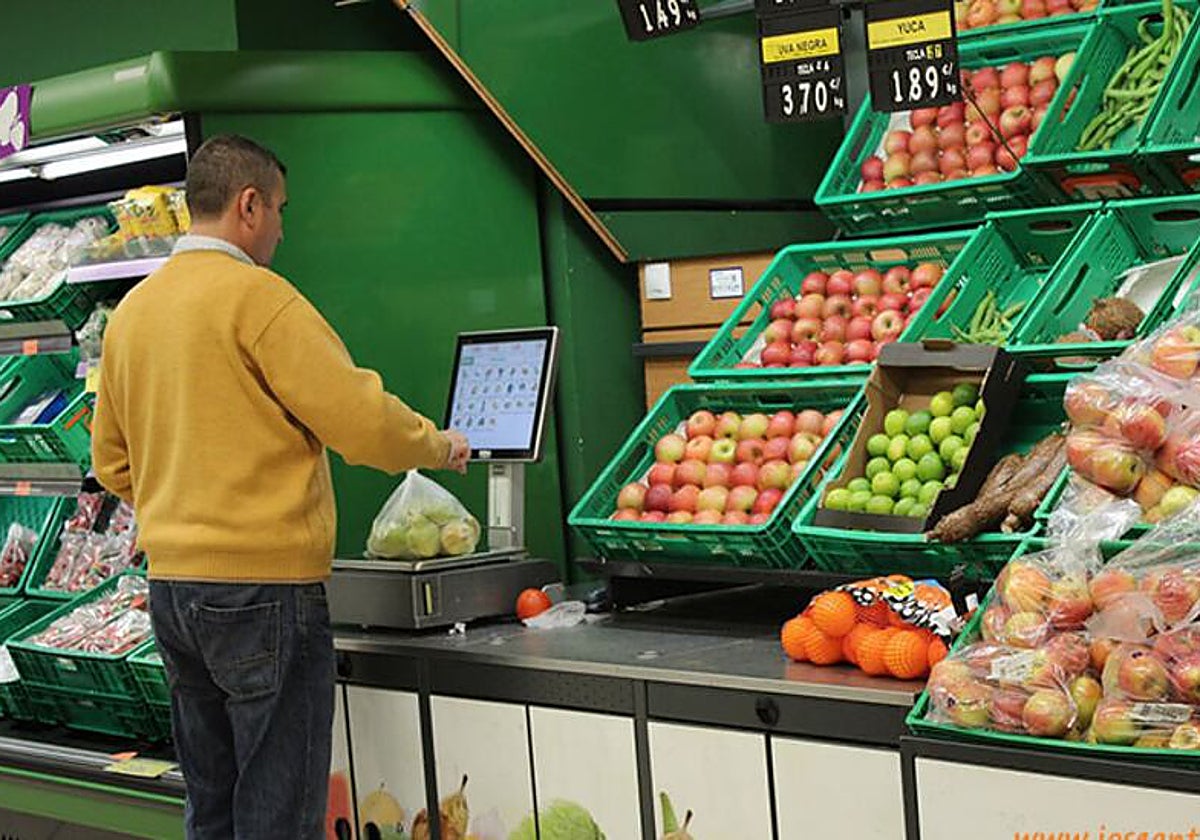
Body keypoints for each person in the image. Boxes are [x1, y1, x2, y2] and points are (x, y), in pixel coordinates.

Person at [91, 134, 469, 839]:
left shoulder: (133, 315)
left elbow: (112, 462)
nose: (283, 229)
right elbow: (359, 422)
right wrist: (436, 442)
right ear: (248, 204)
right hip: (264, 590)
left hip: (172, 591)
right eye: (281, 210)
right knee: (277, 813)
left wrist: (183, 493)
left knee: (213, 804)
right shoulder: (260, 301)